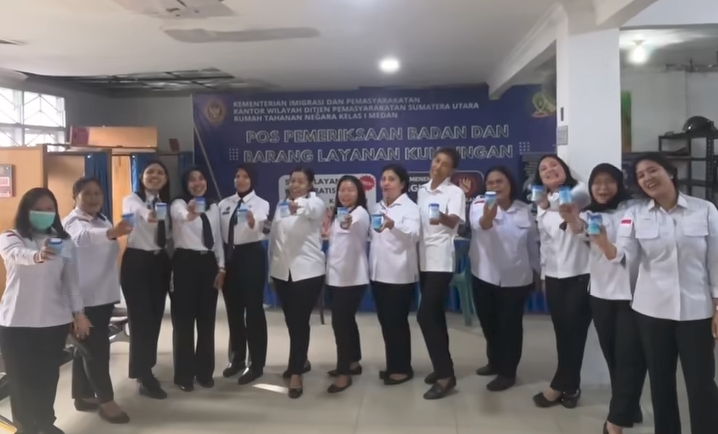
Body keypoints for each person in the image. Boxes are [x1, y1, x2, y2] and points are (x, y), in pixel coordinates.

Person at [602, 153, 718, 434]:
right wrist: (602, 242)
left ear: (670, 172)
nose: (647, 178)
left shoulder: (705, 210)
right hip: (651, 311)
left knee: (702, 383)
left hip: (697, 311)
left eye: (652, 170)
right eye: (641, 176)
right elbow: (624, 256)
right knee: (661, 383)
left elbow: (716, 260)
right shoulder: (635, 215)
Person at [561, 163, 645, 434]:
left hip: (633, 294)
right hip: (600, 293)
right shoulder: (589, 213)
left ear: (619, 184)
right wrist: (572, 218)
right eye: (597, 182)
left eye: (609, 181)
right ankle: (628, 406)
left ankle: (616, 418)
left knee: (629, 356)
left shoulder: (634, 209)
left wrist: (606, 243)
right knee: (612, 354)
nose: (603, 187)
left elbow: (625, 251)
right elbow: (581, 232)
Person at [0, 187, 91, 434]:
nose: (44, 213)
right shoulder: (11, 237)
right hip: (16, 322)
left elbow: (71, 281)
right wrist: (38, 256)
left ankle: (45, 422)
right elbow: (16, 254)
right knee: (20, 379)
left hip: (53, 321)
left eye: (49, 209)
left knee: (47, 377)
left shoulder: (64, 241)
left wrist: (79, 313)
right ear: (26, 211)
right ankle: (26, 427)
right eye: (38, 209)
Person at [63, 177, 132, 424]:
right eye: (87, 193)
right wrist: (112, 233)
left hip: (102, 297)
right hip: (82, 301)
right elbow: (83, 238)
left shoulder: (102, 220)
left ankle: (82, 395)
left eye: (97, 194)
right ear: (75, 197)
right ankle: (106, 401)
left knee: (84, 350)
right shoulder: (72, 223)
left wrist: (111, 231)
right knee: (96, 352)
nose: (93, 198)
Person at [469, 166, 540, 392]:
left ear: (510, 184)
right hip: (485, 275)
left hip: (517, 279)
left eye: (499, 182)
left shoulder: (524, 210)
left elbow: (532, 245)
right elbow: (482, 224)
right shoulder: (479, 204)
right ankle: (494, 362)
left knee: (510, 327)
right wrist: (489, 213)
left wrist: (538, 272)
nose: (495, 186)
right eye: (490, 183)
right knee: (489, 324)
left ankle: (508, 372)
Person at [532, 154, 592, 409]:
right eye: (543, 169)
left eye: (554, 164)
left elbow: (566, 207)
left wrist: (546, 202)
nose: (549, 169)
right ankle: (571, 386)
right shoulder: (543, 204)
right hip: (555, 276)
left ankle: (559, 385)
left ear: (564, 168)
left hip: (581, 274)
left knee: (574, 333)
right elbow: (545, 243)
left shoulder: (581, 192)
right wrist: (544, 275)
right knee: (562, 334)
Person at [269, 167, 327, 399]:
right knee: (292, 322)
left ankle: (296, 373)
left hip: (307, 272)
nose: (295, 185)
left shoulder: (315, 202)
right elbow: (274, 238)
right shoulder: (281, 205)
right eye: (292, 180)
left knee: (300, 322)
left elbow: (313, 211)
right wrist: (271, 270)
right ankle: (301, 361)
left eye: (301, 181)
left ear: (310, 184)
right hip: (282, 272)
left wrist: (298, 206)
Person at [120, 160, 172, 399]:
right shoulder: (132, 199)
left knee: (154, 318)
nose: (155, 176)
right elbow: (136, 210)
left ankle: (147, 366)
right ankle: (143, 375)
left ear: (166, 178)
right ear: (141, 177)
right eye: (150, 172)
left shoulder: (167, 204)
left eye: (160, 172)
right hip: (137, 262)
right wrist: (148, 213)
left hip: (159, 263)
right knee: (140, 319)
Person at [169, 167, 225, 391]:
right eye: (192, 180)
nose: (197, 183)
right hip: (184, 263)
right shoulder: (178, 204)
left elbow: (218, 239)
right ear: (185, 184)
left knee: (206, 322)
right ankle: (183, 375)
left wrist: (221, 268)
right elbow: (183, 217)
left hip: (208, 263)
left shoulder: (214, 206)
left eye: (201, 179)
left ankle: (204, 372)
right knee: (183, 323)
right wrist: (192, 211)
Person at [416, 147, 465, 400]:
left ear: (451, 170)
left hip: (441, 260)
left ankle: (446, 376)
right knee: (435, 316)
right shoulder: (421, 191)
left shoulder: (455, 192)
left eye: (444, 164)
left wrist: (440, 216)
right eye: (436, 161)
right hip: (423, 260)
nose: (438, 166)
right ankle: (442, 367)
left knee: (424, 316)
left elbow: (454, 221)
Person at [369, 164, 420, 387]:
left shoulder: (410, 208)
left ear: (402, 184)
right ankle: (393, 365)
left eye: (391, 179)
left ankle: (403, 369)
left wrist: (393, 225)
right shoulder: (377, 206)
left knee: (397, 323)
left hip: (399, 274)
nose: (386, 183)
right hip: (378, 273)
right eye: (383, 179)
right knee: (386, 323)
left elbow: (414, 235)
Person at [218, 164, 269, 385]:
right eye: (237, 176)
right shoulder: (224, 204)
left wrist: (251, 221)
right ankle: (237, 358)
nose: (240, 180)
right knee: (233, 311)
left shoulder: (261, 203)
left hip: (251, 257)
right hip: (230, 258)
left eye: (245, 176)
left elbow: (259, 226)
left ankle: (256, 364)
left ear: (252, 180)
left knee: (254, 310)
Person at [325, 175, 370, 394]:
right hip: (336, 276)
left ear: (359, 193)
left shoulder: (359, 213)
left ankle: (344, 374)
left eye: (350, 190)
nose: (345, 194)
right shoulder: (339, 213)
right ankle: (353, 362)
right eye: (342, 190)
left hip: (351, 278)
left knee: (340, 325)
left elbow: (350, 224)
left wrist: (342, 220)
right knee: (347, 322)